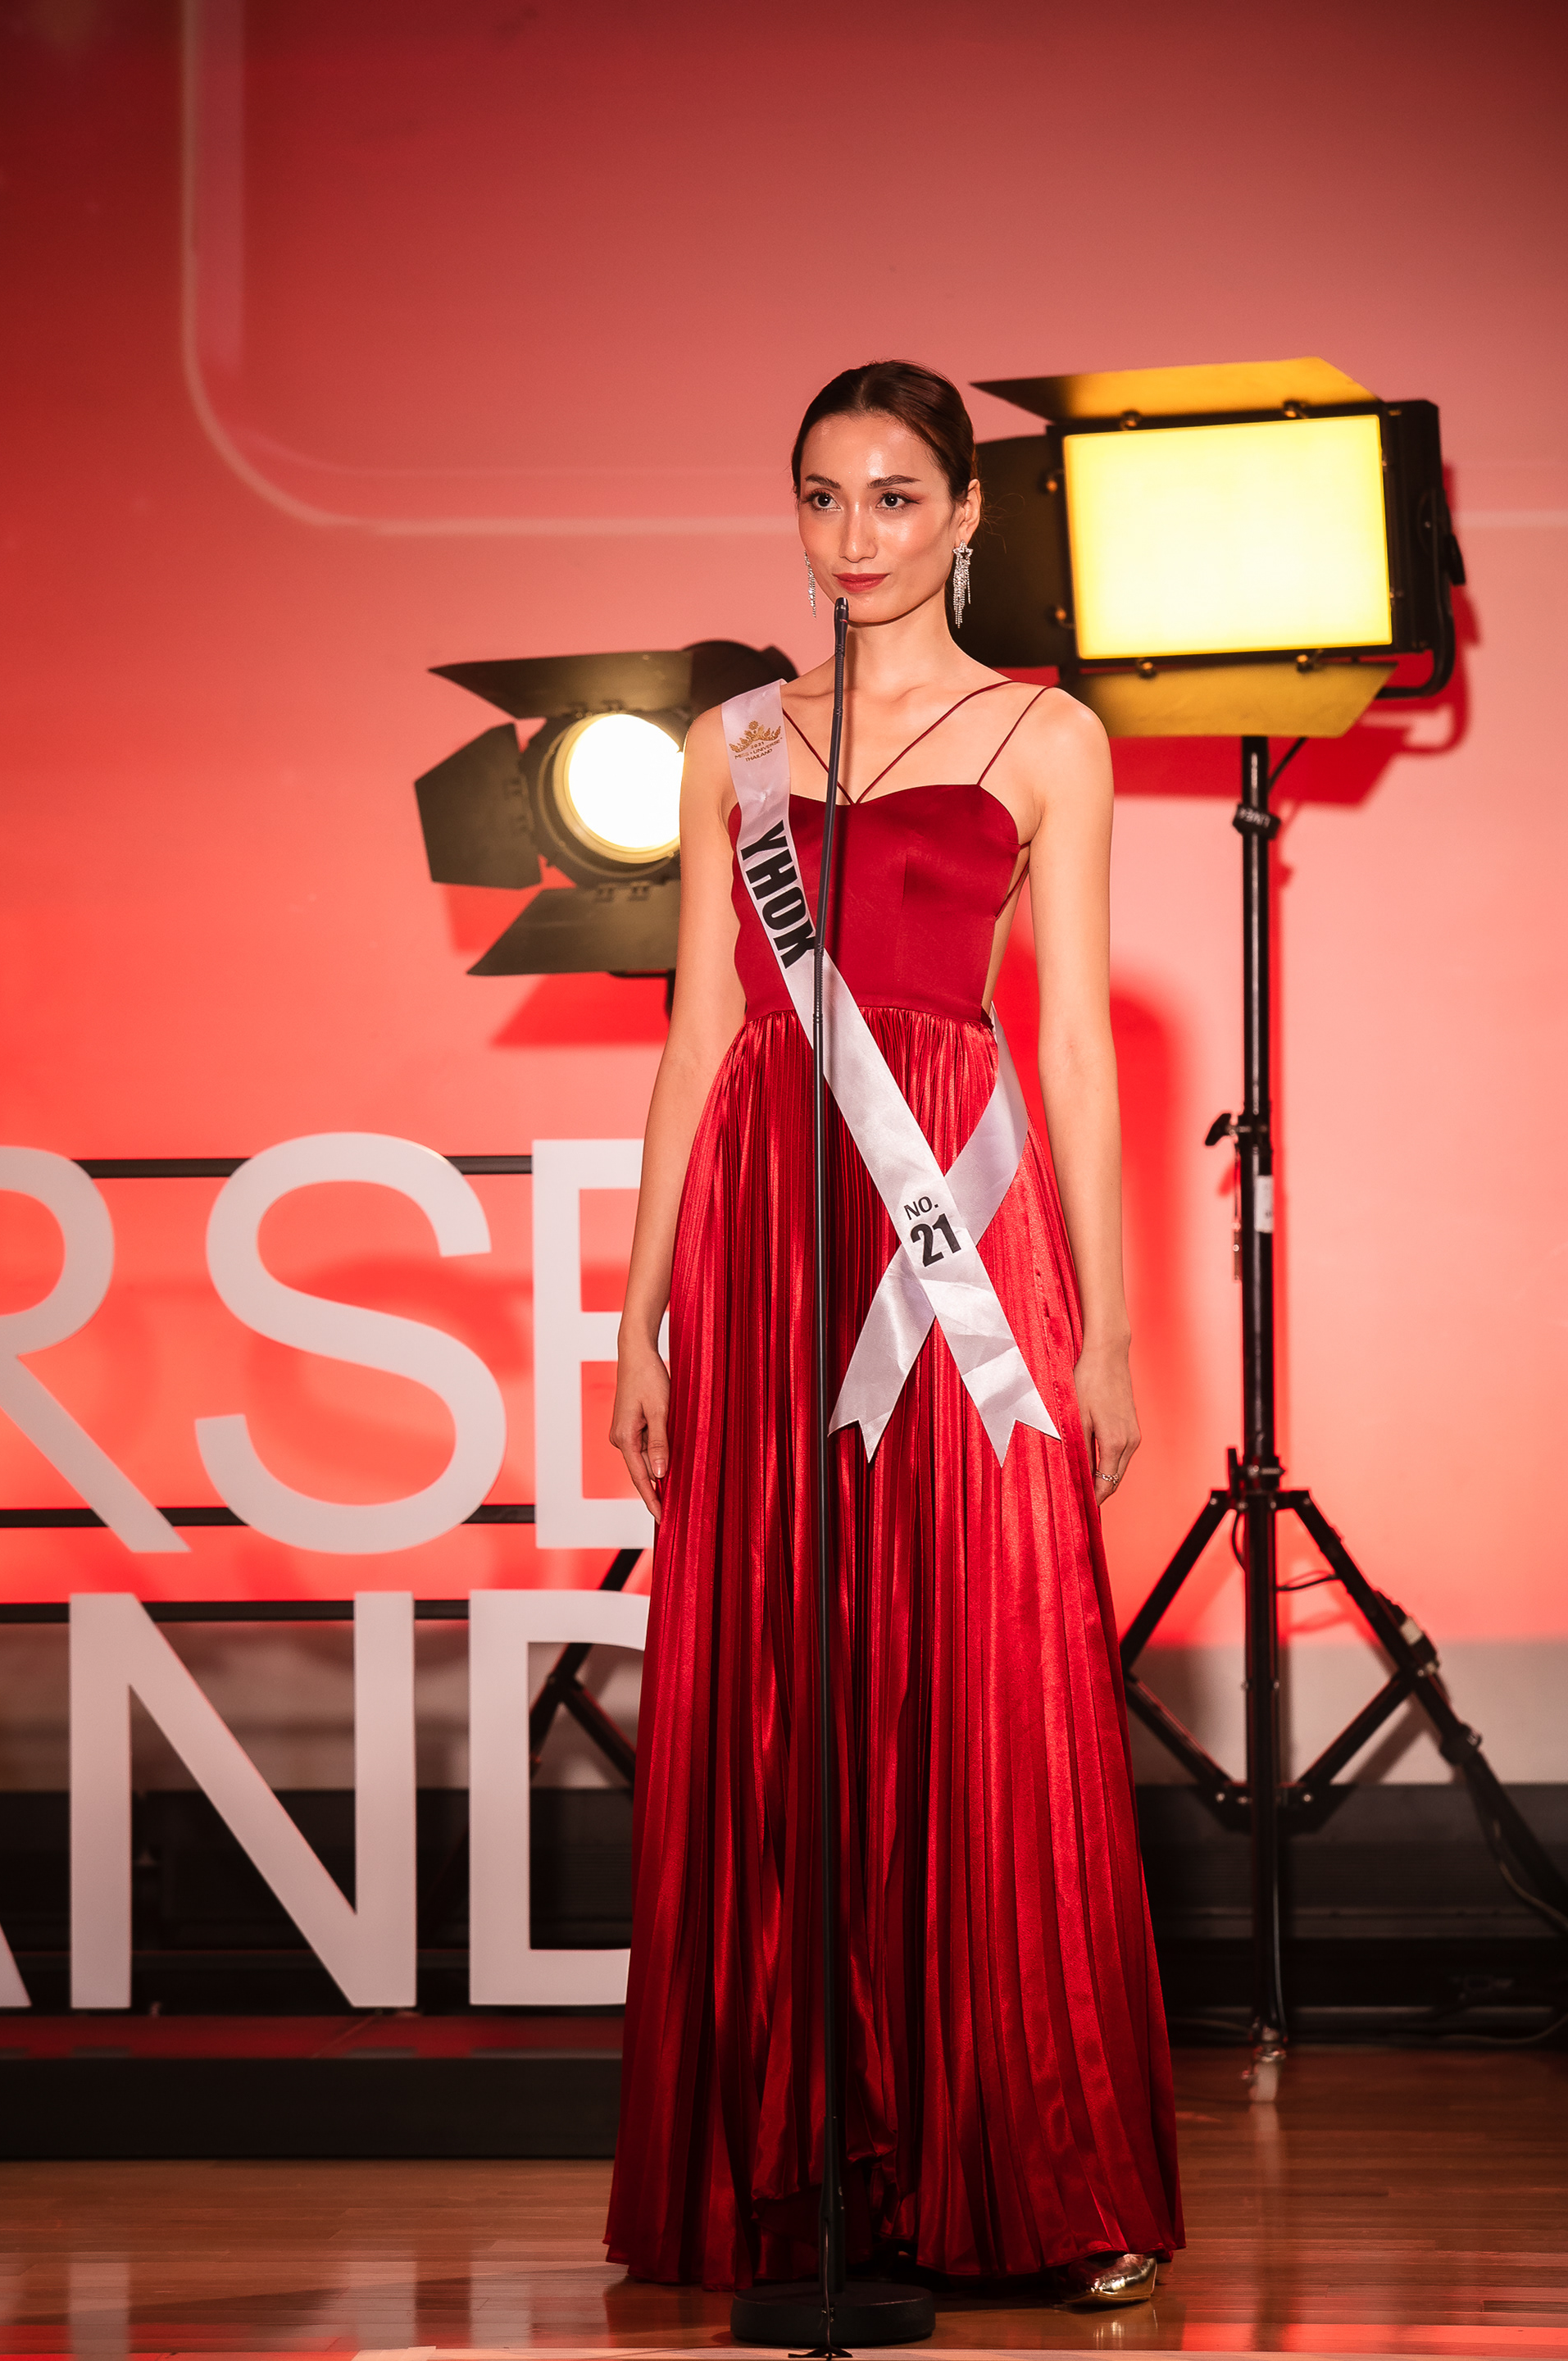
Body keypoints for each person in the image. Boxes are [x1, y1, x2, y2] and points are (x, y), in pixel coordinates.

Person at [604, 361, 1182, 2303]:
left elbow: (1079, 1048)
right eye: (822, 496)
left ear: (967, 515)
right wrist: (639, 1316)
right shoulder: (733, 746)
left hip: (961, 1238)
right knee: (785, 1678)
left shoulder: (1046, 734)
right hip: (772, 1232)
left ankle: (1039, 2177)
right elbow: (699, 1038)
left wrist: (1106, 1334)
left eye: (896, 497)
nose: (854, 536)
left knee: (992, 1675)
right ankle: (797, 2167)